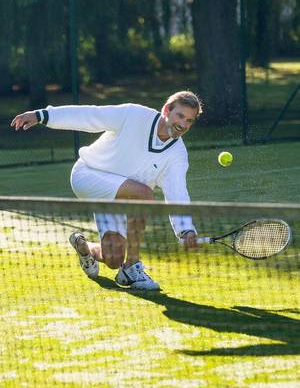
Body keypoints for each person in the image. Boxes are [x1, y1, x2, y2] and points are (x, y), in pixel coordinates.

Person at [11, 91, 202, 290]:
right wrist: (42, 115)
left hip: (121, 196)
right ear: (166, 110)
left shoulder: (178, 155)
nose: (183, 124)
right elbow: (89, 116)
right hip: (88, 175)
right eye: (180, 116)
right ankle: (132, 266)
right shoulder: (133, 115)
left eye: (189, 120)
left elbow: (177, 192)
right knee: (145, 193)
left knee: (112, 258)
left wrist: (185, 230)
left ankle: (85, 249)